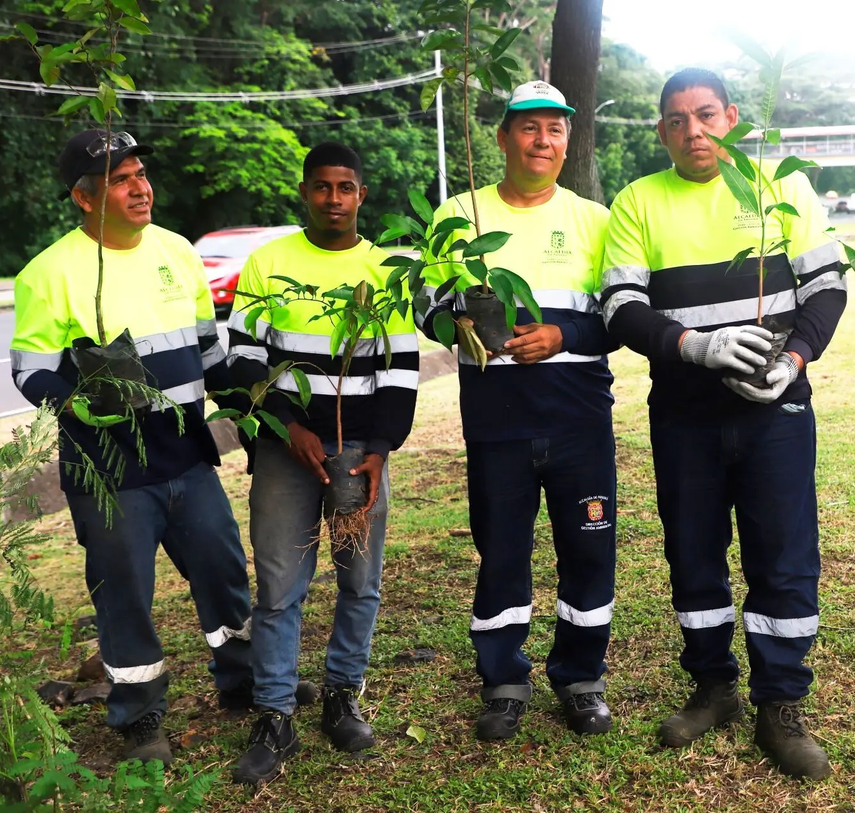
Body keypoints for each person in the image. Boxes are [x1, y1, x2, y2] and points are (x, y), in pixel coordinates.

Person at [601, 68, 846, 780]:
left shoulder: (779, 189)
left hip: (775, 412)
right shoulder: (637, 201)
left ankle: (779, 702)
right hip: (684, 416)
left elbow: (826, 286)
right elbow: (619, 306)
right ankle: (713, 686)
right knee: (693, 553)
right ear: (660, 131)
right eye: (675, 121)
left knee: (783, 555)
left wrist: (794, 358)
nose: (692, 131)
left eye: (704, 115)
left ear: (732, 117)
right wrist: (691, 344)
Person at [10, 130, 255, 765]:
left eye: (141, 174)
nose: (141, 188)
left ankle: (244, 681)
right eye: (122, 181)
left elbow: (208, 349)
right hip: (109, 469)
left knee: (224, 572)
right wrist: (83, 402)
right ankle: (139, 716)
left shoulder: (175, 251)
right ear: (84, 199)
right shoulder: (51, 272)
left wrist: (252, 397)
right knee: (122, 593)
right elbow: (31, 369)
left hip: (185, 454)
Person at [418, 81, 618, 741]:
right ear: (502, 136)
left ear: (567, 139)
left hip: (578, 421)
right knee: (501, 552)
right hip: (497, 421)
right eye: (528, 128)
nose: (542, 141)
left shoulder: (594, 219)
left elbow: (618, 319)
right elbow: (425, 307)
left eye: (554, 129)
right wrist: (466, 328)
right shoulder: (458, 213)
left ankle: (580, 678)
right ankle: (503, 680)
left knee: (588, 552)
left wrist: (564, 335)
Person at [227, 142, 419, 786]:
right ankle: (275, 713)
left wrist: (379, 450)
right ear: (304, 192)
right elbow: (244, 362)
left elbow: (400, 367)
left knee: (360, 581)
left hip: (360, 454)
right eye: (321, 188)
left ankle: (342, 693)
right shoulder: (268, 263)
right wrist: (289, 429)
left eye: (345, 188)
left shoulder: (388, 269)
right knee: (280, 588)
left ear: (361, 194)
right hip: (287, 454)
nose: (333, 200)